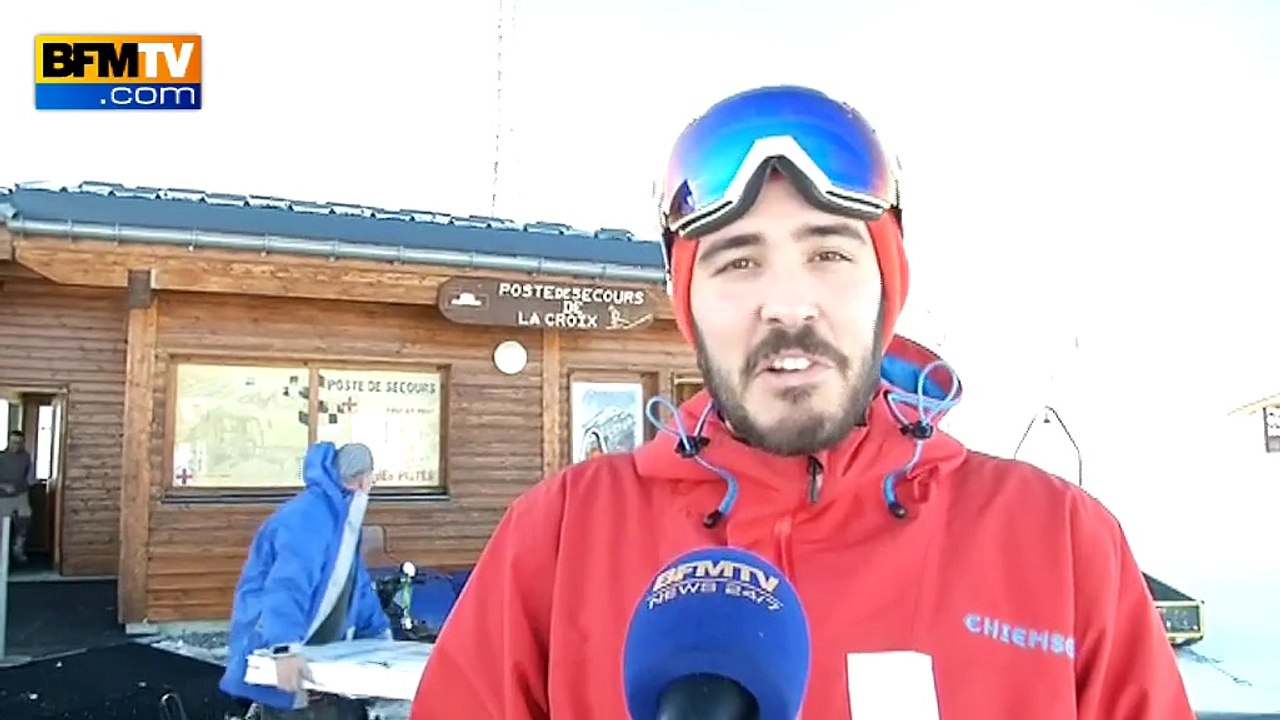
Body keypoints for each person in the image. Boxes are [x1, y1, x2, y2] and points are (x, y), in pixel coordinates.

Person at [410, 86, 1194, 719]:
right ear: (689, 306)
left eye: (827, 252)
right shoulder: (558, 542)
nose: (788, 303)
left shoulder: (1059, 546)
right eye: (737, 261)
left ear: (889, 286)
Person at [220, 441, 391, 720]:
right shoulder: (309, 518)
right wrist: (284, 648)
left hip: (319, 655)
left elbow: (353, 583)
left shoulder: (340, 518)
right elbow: (286, 587)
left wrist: (377, 633)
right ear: (362, 479)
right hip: (279, 651)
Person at [0, 429, 35, 564]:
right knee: (2, 527)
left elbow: (30, 475)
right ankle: (3, 559)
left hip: (21, 495)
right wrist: (4, 486)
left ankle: (18, 548)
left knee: (25, 518)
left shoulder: (26, 457)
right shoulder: (1, 457)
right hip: (3, 497)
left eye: (19, 443)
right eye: (14, 442)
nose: (16, 445)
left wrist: (31, 480)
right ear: (9, 442)